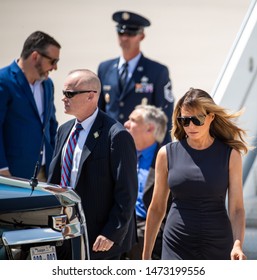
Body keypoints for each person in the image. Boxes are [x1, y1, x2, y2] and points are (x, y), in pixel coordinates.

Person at [143, 88, 249, 260]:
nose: (190, 126)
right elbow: (156, 208)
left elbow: (237, 209)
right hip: (176, 244)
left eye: (197, 119)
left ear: (210, 117)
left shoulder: (231, 155)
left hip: (219, 244)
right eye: (185, 120)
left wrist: (237, 244)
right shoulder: (166, 154)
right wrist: (146, 256)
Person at [47, 69, 138, 260]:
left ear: (91, 95)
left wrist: (111, 233)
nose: (64, 98)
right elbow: (55, 181)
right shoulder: (64, 131)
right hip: (64, 233)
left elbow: (127, 192)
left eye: (70, 94)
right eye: (63, 93)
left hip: (100, 239)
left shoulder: (116, 135)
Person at [97, 10, 174, 143]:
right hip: (110, 143)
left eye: (131, 33)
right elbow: (99, 110)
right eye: (121, 32)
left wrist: (163, 151)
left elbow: (164, 115)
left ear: (142, 36)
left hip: (141, 145)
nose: (125, 38)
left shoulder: (157, 71)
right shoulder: (105, 68)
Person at [0, 31, 60, 181]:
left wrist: (56, 163)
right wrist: (2, 169)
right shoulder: (4, 81)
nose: (55, 67)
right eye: (52, 61)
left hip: (45, 174)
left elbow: (51, 126)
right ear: (35, 56)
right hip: (13, 175)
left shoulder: (48, 84)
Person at [123, 104, 170, 260]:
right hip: (119, 228)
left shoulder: (169, 159)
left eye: (133, 120)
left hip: (147, 232)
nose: (126, 124)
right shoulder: (120, 154)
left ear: (149, 128)